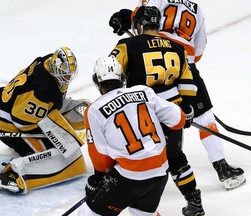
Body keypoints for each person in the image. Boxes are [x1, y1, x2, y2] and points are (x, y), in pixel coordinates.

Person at [108, 0, 246, 191]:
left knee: (140, 114)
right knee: (205, 118)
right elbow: (198, 51)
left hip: (151, 61)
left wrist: (124, 16)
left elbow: (144, 17)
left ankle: (136, 171)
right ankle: (222, 168)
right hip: (184, 65)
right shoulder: (196, 8)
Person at [108, 6, 205, 216]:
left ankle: (135, 206)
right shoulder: (176, 48)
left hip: (142, 114)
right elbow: (188, 82)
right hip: (172, 112)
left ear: (139, 25)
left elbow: (109, 71)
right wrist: (186, 108)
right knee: (175, 158)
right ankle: (195, 203)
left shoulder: (127, 45)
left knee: (134, 157)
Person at [78, 56, 189, 216]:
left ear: (97, 81)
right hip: (160, 172)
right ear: (122, 77)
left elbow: (101, 159)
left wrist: (99, 179)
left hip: (130, 177)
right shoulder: (144, 91)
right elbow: (179, 119)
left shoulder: (94, 110)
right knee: (142, 213)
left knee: (87, 213)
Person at [0, 46, 89, 194]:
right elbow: (21, 121)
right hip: (5, 123)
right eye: (63, 73)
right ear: (55, 66)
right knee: (48, 154)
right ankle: (12, 175)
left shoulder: (48, 61)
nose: (67, 78)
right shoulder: (43, 89)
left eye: (69, 74)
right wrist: (46, 133)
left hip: (7, 104)